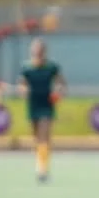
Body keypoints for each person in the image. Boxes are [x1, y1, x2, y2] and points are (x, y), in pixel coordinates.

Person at [16, 38, 65, 183]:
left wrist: (58, 92)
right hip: (33, 104)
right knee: (36, 138)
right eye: (35, 50)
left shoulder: (52, 67)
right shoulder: (26, 68)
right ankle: (40, 163)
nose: (38, 52)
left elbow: (60, 83)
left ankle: (42, 169)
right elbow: (22, 85)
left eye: (40, 49)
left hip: (46, 105)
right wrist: (24, 91)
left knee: (44, 136)